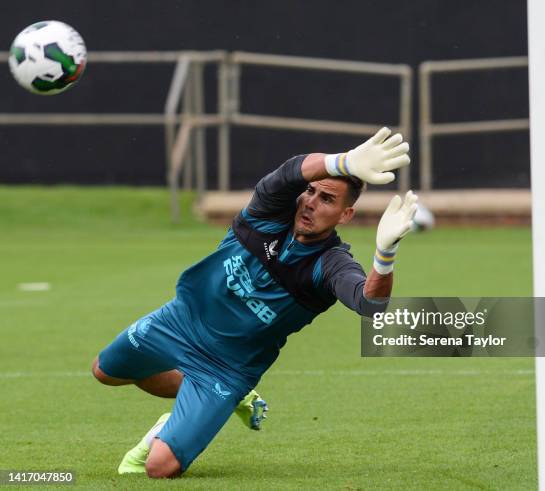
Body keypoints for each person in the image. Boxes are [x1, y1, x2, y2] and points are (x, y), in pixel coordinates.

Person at [91, 127, 418, 478]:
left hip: (227, 367)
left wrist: (385, 254)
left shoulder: (330, 263)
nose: (310, 202)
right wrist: (345, 162)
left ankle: (210, 407)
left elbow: (370, 306)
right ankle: (208, 404)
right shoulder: (267, 213)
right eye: (310, 191)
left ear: (345, 215)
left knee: (160, 467)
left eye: (327, 200)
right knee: (105, 371)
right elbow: (291, 171)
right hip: (179, 322)